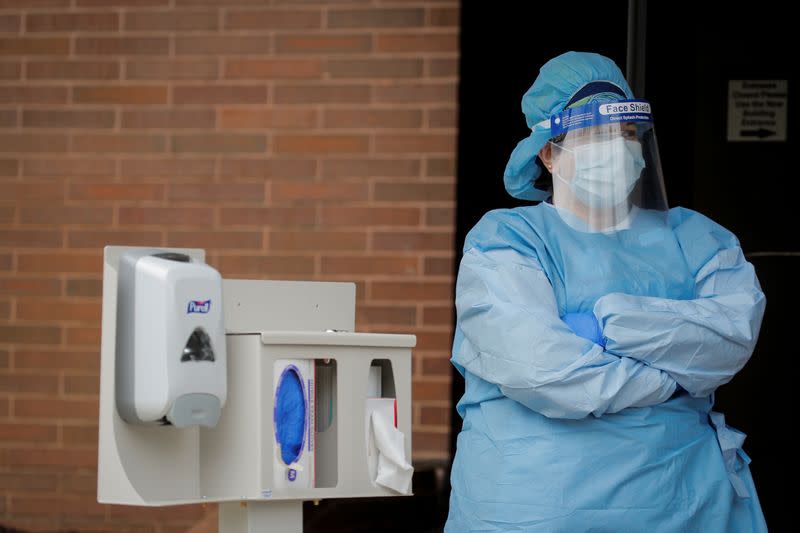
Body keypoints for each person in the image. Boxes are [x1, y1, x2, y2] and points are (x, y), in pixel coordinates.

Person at [446, 51, 768, 532]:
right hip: (538, 509)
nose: (616, 148)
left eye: (625, 134)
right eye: (596, 135)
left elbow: (729, 340)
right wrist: (674, 377)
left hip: (684, 504)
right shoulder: (506, 239)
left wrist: (598, 328)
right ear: (549, 153)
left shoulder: (696, 238)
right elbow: (543, 370)